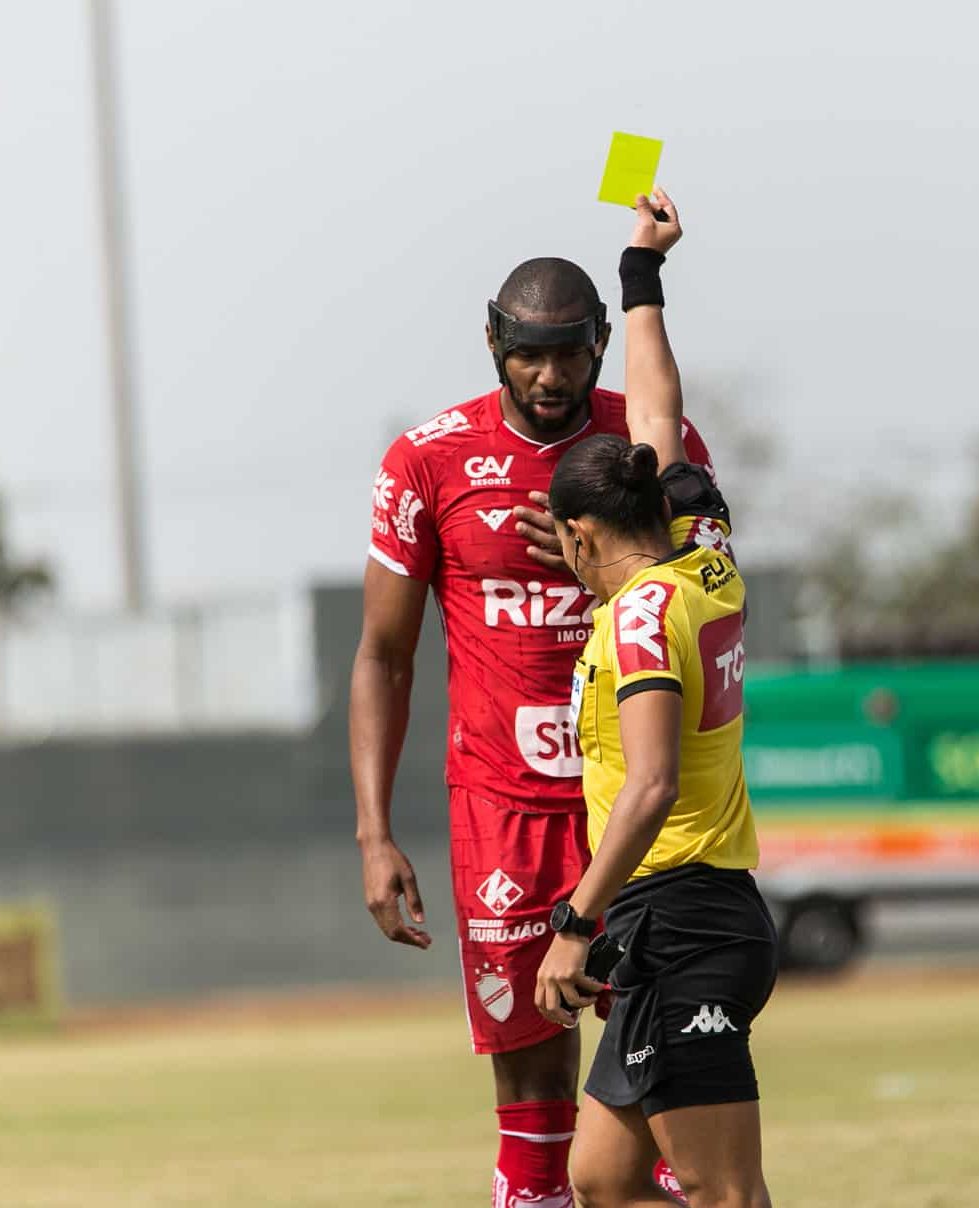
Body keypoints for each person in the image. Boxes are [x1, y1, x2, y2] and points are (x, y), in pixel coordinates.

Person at [350, 238, 716, 1207]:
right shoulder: (427, 460)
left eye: (571, 352)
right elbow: (383, 655)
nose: (550, 375)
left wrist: (607, 557)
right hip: (503, 809)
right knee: (532, 1093)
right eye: (528, 353)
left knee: (669, 1106)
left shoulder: (639, 452)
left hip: (634, 808)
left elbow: (706, 596)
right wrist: (375, 830)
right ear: (491, 340)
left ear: (602, 342)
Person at [535, 189, 774, 1208]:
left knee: (725, 1194)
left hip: (681, 918)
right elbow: (656, 419)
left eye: (566, 547)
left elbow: (651, 784)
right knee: (602, 1180)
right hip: (670, 920)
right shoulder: (707, 555)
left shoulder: (636, 618)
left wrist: (571, 921)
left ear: (584, 534)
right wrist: (640, 277)